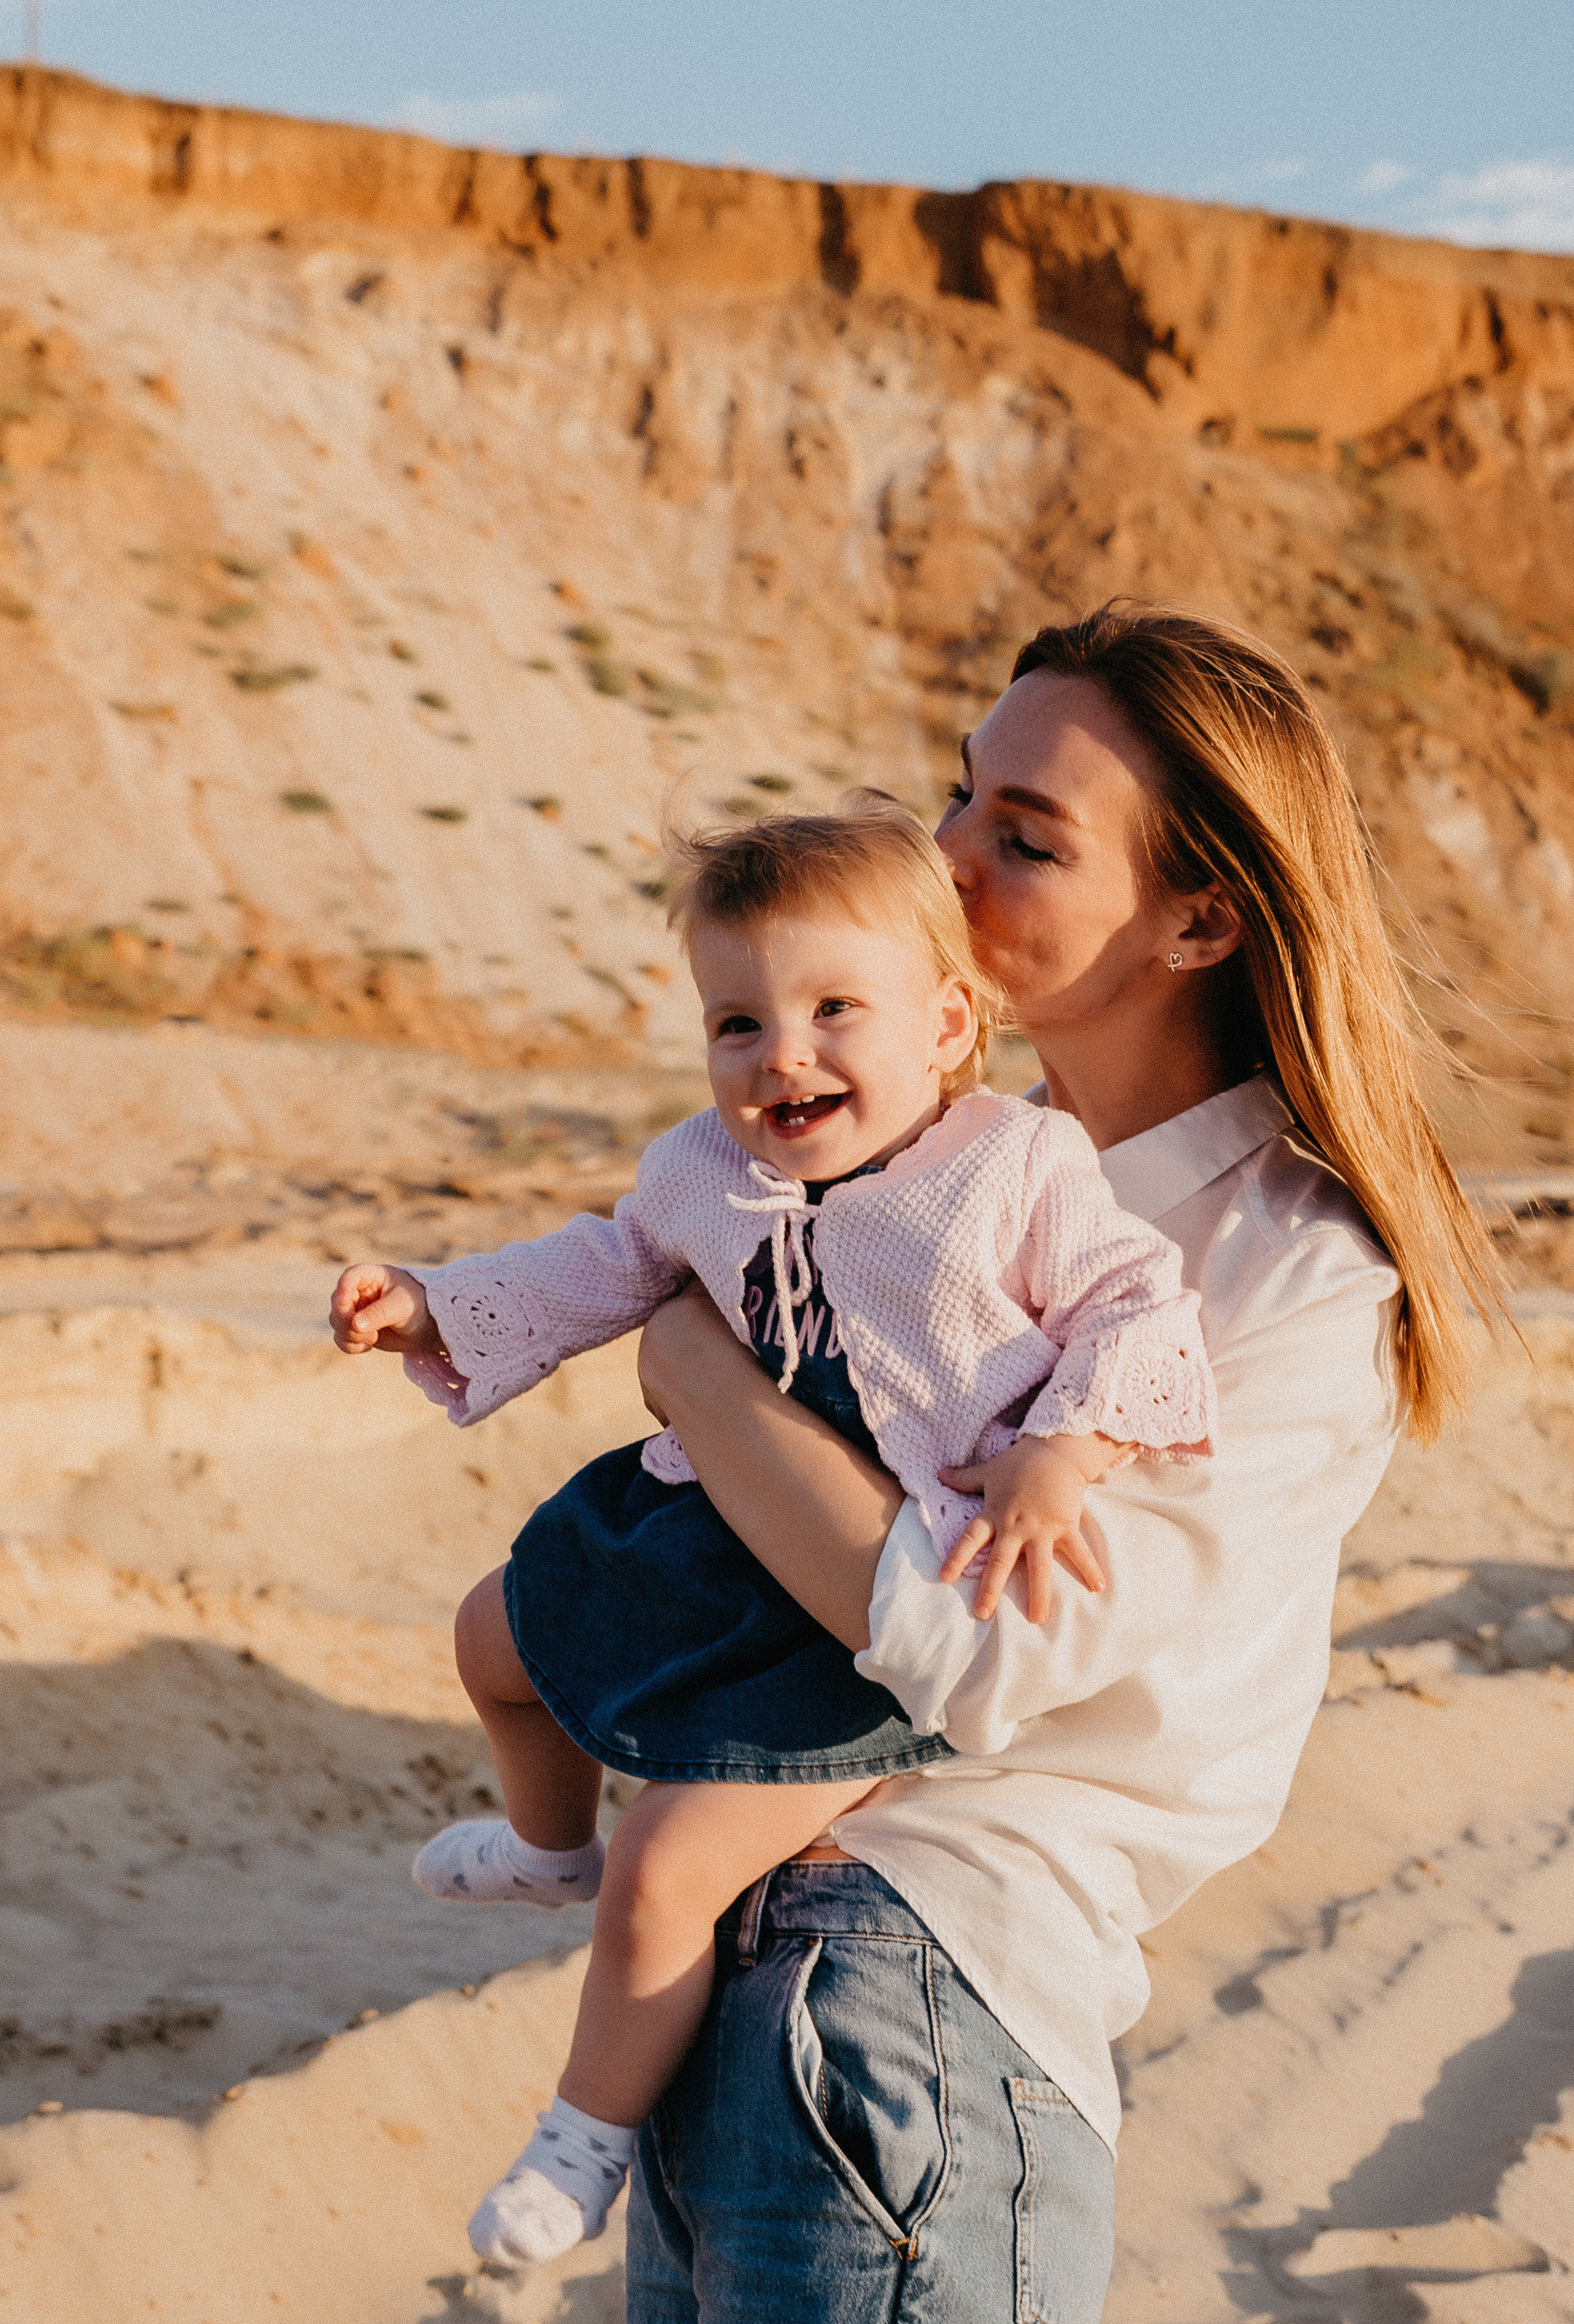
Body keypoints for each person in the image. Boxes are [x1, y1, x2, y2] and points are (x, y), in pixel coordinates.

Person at [610, 600, 1503, 2324]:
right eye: (959, 793)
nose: (945, 856)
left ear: (1199, 919)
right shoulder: (932, 1177)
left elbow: (990, 1641)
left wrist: (691, 1368)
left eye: (1024, 836)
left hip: (911, 1993)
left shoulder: (1291, 1272)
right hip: (736, 1980)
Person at [327, 798, 1216, 2267]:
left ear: (945, 1026)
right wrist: (434, 1304)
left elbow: (1139, 1308)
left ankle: (584, 2136)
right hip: (714, 1529)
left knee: (669, 1864)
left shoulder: (1016, 1170)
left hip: (865, 1607)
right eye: (736, 1023)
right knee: (494, 1634)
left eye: (831, 1011)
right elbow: (600, 1268)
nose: (780, 1055)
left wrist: (1061, 1453)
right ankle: (547, 1845)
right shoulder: (701, 1171)